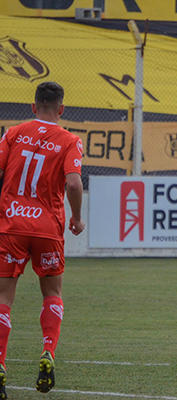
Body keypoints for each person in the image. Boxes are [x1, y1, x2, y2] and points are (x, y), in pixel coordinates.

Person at [0, 81, 85, 397]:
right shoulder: (69, 140)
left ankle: (0, 363)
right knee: (52, 292)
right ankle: (48, 350)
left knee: (3, 298)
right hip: (48, 230)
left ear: (33, 107)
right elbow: (74, 184)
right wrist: (76, 217)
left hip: (10, 227)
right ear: (61, 109)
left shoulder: (14, 133)